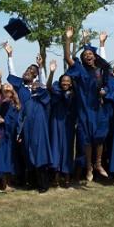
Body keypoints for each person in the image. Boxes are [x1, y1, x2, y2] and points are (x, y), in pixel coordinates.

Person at [63, 27, 114, 182]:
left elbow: (107, 85)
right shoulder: (79, 69)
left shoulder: (101, 70)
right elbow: (67, 57)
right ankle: (89, 167)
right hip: (85, 108)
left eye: (90, 54)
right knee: (86, 137)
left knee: (99, 136)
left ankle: (98, 164)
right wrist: (68, 39)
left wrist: (104, 91)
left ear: (94, 56)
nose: (88, 56)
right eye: (85, 55)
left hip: (98, 107)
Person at [6, 47, 52, 193]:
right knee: (26, 153)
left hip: (38, 125)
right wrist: (10, 56)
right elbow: (12, 74)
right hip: (24, 124)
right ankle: (27, 180)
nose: (28, 72)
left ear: (35, 78)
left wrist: (40, 67)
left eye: (32, 72)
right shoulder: (20, 86)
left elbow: (44, 85)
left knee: (39, 152)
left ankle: (42, 183)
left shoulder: (39, 92)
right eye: (27, 70)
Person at [47, 60, 76, 188]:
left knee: (67, 149)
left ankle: (67, 177)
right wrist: (52, 72)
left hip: (68, 124)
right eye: (63, 81)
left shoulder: (73, 94)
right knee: (56, 148)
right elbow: (48, 86)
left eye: (68, 81)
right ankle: (55, 178)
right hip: (55, 122)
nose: (65, 83)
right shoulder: (56, 90)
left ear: (71, 83)